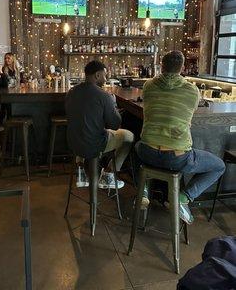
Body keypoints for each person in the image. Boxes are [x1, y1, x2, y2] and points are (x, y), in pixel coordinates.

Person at [136, 50, 225, 224]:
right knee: (219, 166)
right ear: (182, 67)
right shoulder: (192, 91)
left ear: (161, 66)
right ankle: (183, 198)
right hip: (176, 158)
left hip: (148, 152)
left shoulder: (148, 86)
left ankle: (144, 188)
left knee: (136, 146)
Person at [65, 60, 134, 189]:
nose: (106, 78)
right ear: (97, 75)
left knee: (85, 130)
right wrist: (113, 105)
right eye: (105, 75)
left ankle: (82, 171)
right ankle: (108, 174)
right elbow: (115, 125)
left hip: (73, 143)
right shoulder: (104, 96)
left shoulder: (72, 92)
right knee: (128, 137)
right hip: (94, 145)